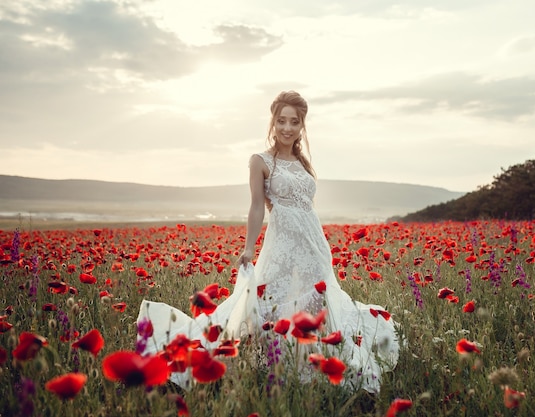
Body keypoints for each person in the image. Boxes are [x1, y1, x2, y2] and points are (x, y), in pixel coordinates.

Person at [137, 91, 399, 393]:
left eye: (295, 122)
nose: (287, 128)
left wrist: (320, 248)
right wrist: (249, 247)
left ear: (302, 126)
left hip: (313, 244)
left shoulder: (302, 161)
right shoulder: (260, 161)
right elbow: (257, 206)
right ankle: (273, 363)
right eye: (281, 121)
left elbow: (307, 206)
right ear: (273, 123)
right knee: (272, 303)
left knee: (316, 305)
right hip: (281, 243)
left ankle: (310, 364)